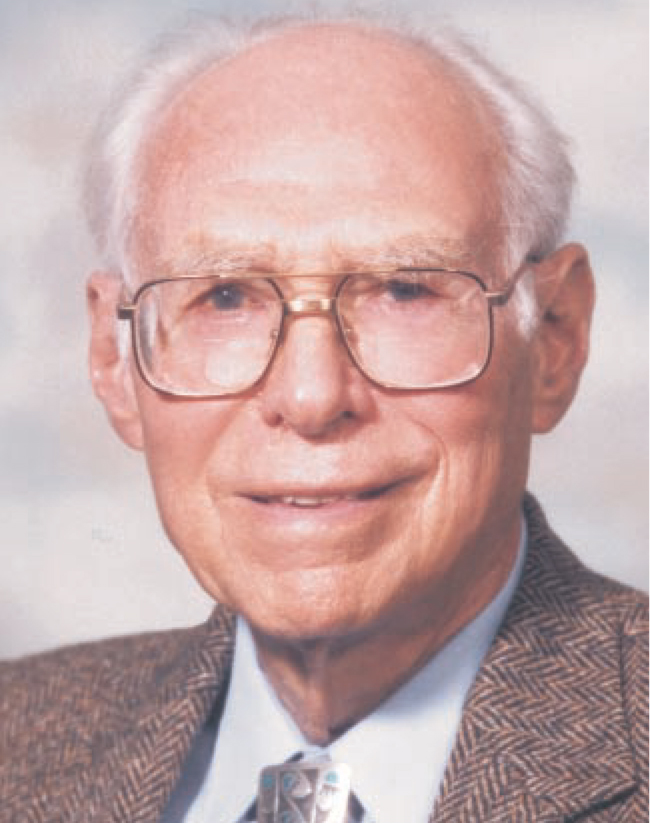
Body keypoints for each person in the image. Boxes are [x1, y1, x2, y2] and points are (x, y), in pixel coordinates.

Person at [0, 8, 647, 823]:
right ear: (114, 356)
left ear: (554, 337)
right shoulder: (16, 745)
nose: (310, 399)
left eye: (404, 290)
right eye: (225, 296)